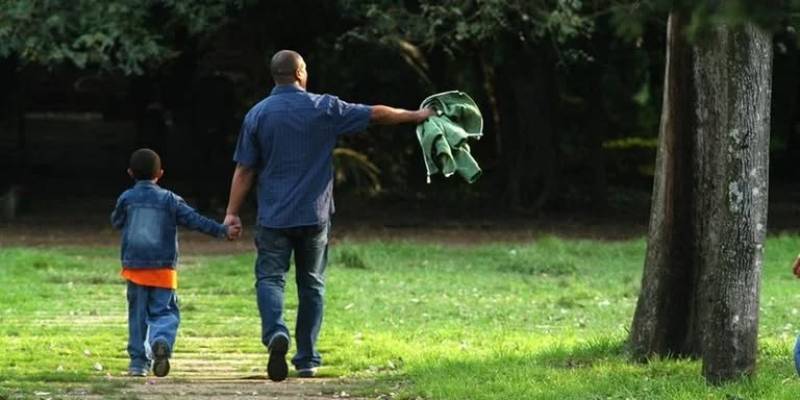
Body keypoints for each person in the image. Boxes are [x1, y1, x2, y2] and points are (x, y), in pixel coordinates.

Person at [223, 50, 434, 381]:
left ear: (274, 76)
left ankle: (276, 334)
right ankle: (306, 359)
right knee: (312, 284)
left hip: (274, 215)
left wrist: (232, 213)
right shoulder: (324, 107)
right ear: (300, 73)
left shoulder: (258, 115)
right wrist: (414, 115)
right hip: (314, 215)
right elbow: (376, 114)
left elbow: (245, 170)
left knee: (270, 279)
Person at [112, 148, 239, 377]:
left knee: (137, 315)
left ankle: (138, 364)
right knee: (164, 311)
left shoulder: (126, 199)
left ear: (130, 173)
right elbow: (195, 220)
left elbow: (117, 221)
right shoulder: (169, 200)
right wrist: (222, 230)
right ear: (160, 173)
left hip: (135, 268)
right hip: (163, 269)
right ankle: (161, 340)